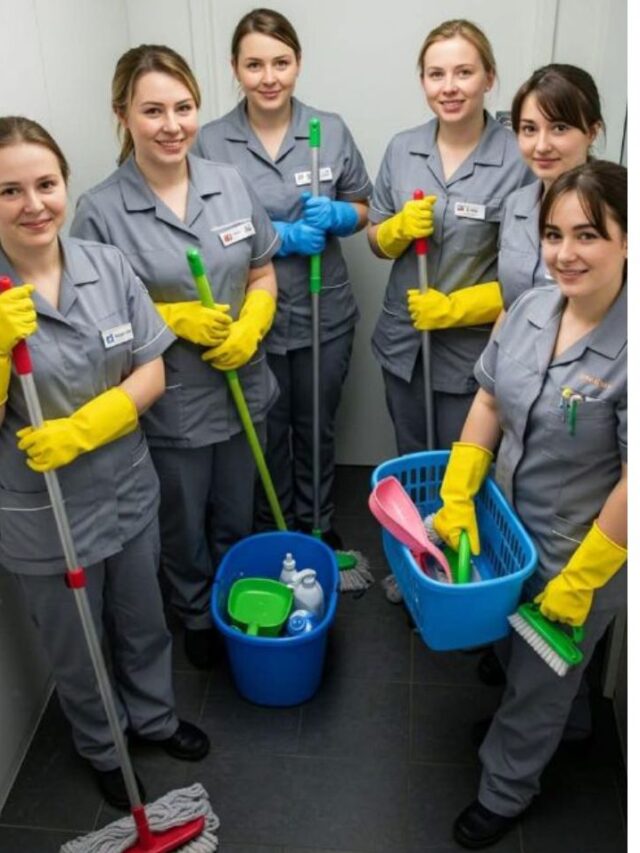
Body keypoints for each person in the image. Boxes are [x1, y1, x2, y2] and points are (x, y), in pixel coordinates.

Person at [0, 116, 209, 810]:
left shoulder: (106, 264)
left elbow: (151, 369)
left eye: (46, 183)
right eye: (9, 190)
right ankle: (106, 744)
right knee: (77, 641)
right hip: (45, 510)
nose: (34, 204)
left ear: (65, 185)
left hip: (123, 482)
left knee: (143, 613)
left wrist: (88, 426)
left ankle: (155, 716)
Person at [432, 160, 627, 848]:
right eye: (553, 233)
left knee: (541, 681)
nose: (565, 253)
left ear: (627, 239)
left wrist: (580, 578)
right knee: (529, 659)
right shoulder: (532, 307)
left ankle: (505, 788)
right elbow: (489, 396)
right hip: (512, 525)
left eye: (588, 235)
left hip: (583, 548)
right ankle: (567, 724)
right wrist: (458, 491)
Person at [70, 45, 280, 670]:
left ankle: (237, 598)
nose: (172, 125)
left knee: (236, 512)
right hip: (174, 406)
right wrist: (168, 318)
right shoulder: (101, 212)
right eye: (153, 110)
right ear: (122, 115)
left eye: (184, 107)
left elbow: (264, 270)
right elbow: (91, 322)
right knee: (183, 525)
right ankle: (195, 612)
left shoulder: (229, 182)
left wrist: (252, 325)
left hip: (244, 382)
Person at [193, 8, 372, 546]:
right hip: (253, 311)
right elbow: (201, 223)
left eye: (281, 62)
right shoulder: (210, 142)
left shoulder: (330, 129)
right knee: (266, 430)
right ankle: (275, 528)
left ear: (297, 64)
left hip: (326, 311)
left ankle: (317, 524)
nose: (268, 77)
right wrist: (277, 235)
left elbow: (363, 206)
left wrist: (342, 217)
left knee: (316, 425)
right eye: (254, 65)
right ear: (235, 68)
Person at [368, 18, 533, 455]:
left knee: (459, 466)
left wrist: (455, 310)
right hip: (403, 345)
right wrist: (395, 229)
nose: (450, 86)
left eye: (464, 72)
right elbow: (374, 241)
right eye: (436, 74)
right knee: (411, 459)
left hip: (470, 354)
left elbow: (530, 276)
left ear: (489, 78)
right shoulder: (402, 149)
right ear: (423, 81)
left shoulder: (518, 160)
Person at [498, 64, 603, 310]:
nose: (541, 145)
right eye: (529, 129)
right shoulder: (515, 205)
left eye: (559, 128)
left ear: (592, 132)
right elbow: (508, 308)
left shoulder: (619, 209)